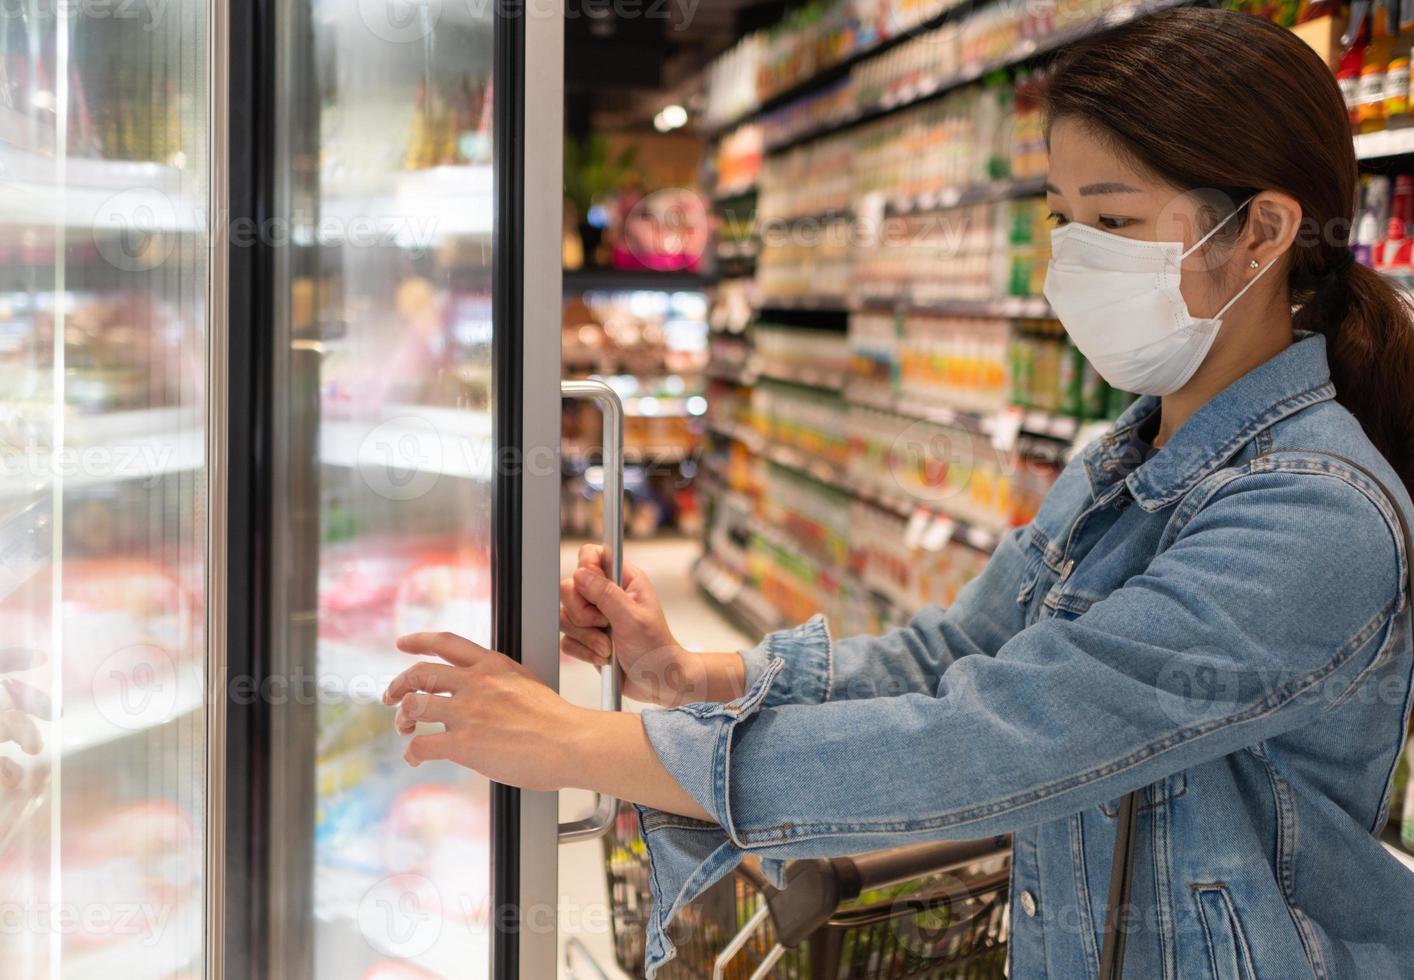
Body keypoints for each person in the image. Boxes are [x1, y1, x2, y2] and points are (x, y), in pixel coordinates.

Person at [383, 9, 1414, 976]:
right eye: (1063, 217)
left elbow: (1005, 729)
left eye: (1112, 217)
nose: (1070, 258)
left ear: (1262, 232)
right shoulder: (1126, 455)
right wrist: (699, 671)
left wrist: (585, 743)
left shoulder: (1315, 516)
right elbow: (954, 659)